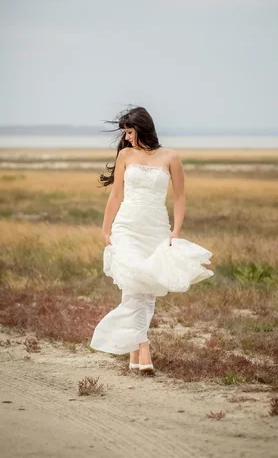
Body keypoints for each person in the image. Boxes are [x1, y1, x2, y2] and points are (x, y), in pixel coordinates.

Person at [89, 106, 214, 375]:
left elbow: (180, 197)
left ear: (143, 128)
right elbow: (116, 196)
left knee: (145, 286)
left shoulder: (171, 157)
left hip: (156, 228)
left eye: (131, 132)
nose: (128, 137)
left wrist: (176, 232)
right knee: (134, 277)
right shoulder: (125, 155)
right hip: (127, 227)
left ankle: (134, 352)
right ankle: (143, 347)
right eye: (125, 132)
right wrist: (105, 228)